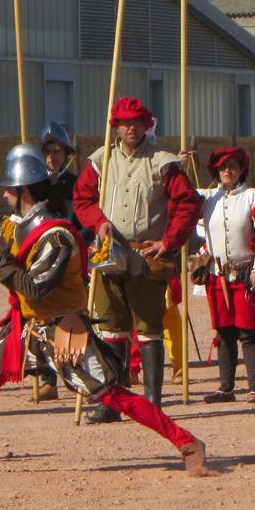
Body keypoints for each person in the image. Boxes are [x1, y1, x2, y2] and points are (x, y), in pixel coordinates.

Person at [0, 144, 213, 477]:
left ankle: (188, 442)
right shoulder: (12, 226)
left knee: (112, 395)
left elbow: (36, 286)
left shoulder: (57, 236)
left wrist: (3, 266)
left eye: (9, 188)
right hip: (30, 329)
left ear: (22, 190)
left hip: (63, 330)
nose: (4, 194)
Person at [72, 96, 201, 422]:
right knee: (110, 328)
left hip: (146, 254)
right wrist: (97, 222)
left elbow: (188, 204)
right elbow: (82, 199)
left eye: (136, 122)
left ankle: (152, 404)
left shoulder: (163, 162)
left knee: (148, 328)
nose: (130, 127)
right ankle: (113, 402)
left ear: (146, 124)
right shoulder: (101, 159)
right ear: (115, 126)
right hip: (109, 251)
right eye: (124, 122)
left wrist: (169, 241)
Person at [191, 146, 255, 403]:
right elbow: (179, 197)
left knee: (249, 331)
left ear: (241, 170)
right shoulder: (206, 198)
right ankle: (226, 388)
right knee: (224, 331)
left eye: (233, 166)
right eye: (223, 167)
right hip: (216, 276)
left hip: (246, 275)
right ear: (216, 171)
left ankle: (254, 388)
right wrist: (182, 166)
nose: (228, 171)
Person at [36, 121, 79, 401]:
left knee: (69, 319)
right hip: (39, 256)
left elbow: (80, 221)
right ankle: (47, 378)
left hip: (68, 255)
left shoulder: (75, 185)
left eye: (58, 151)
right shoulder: (32, 184)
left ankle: (74, 377)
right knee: (40, 320)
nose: (53, 156)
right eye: (48, 151)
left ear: (66, 154)